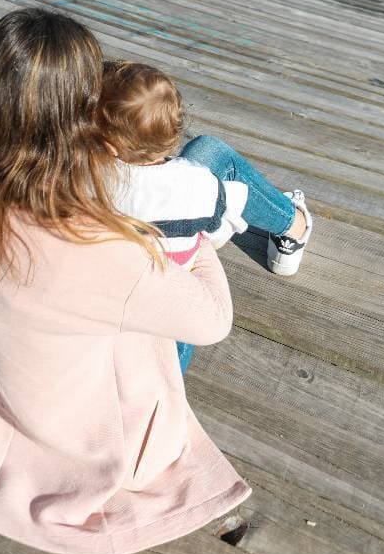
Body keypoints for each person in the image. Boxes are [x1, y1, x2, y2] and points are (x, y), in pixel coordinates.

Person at [0, 8, 250, 554]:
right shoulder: (94, 244)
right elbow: (212, 323)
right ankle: (290, 225)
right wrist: (191, 241)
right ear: (77, 112)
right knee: (210, 158)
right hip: (82, 422)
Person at [98, 61, 313, 373]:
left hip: (115, 318)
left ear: (107, 144)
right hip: (173, 328)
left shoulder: (89, 178)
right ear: (172, 134)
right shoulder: (198, 186)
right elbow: (218, 233)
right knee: (209, 150)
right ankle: (293, 227)